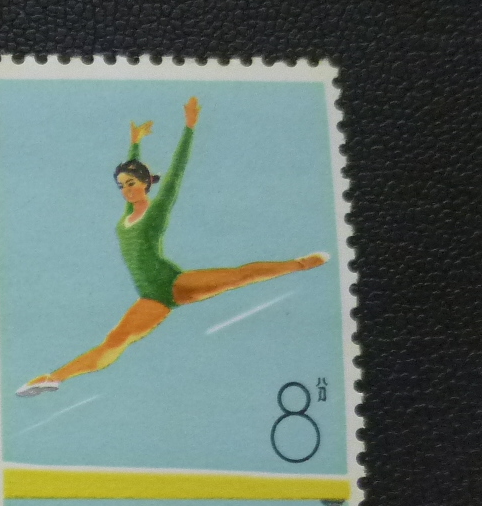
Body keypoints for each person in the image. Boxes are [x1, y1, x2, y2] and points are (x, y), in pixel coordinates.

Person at [17, 97, 330, 396]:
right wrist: (135, 142)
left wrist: (189, 127)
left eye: (131, 183)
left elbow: (177, 170)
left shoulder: (155, 210)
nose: (126, 190)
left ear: (145, 184)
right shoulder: (127, 215)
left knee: (239, 275)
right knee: (116, 340)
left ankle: (301, 263)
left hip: (173, 282)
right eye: (122, 186)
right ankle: (53, 379)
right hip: (150, 297)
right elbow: (131, 169)